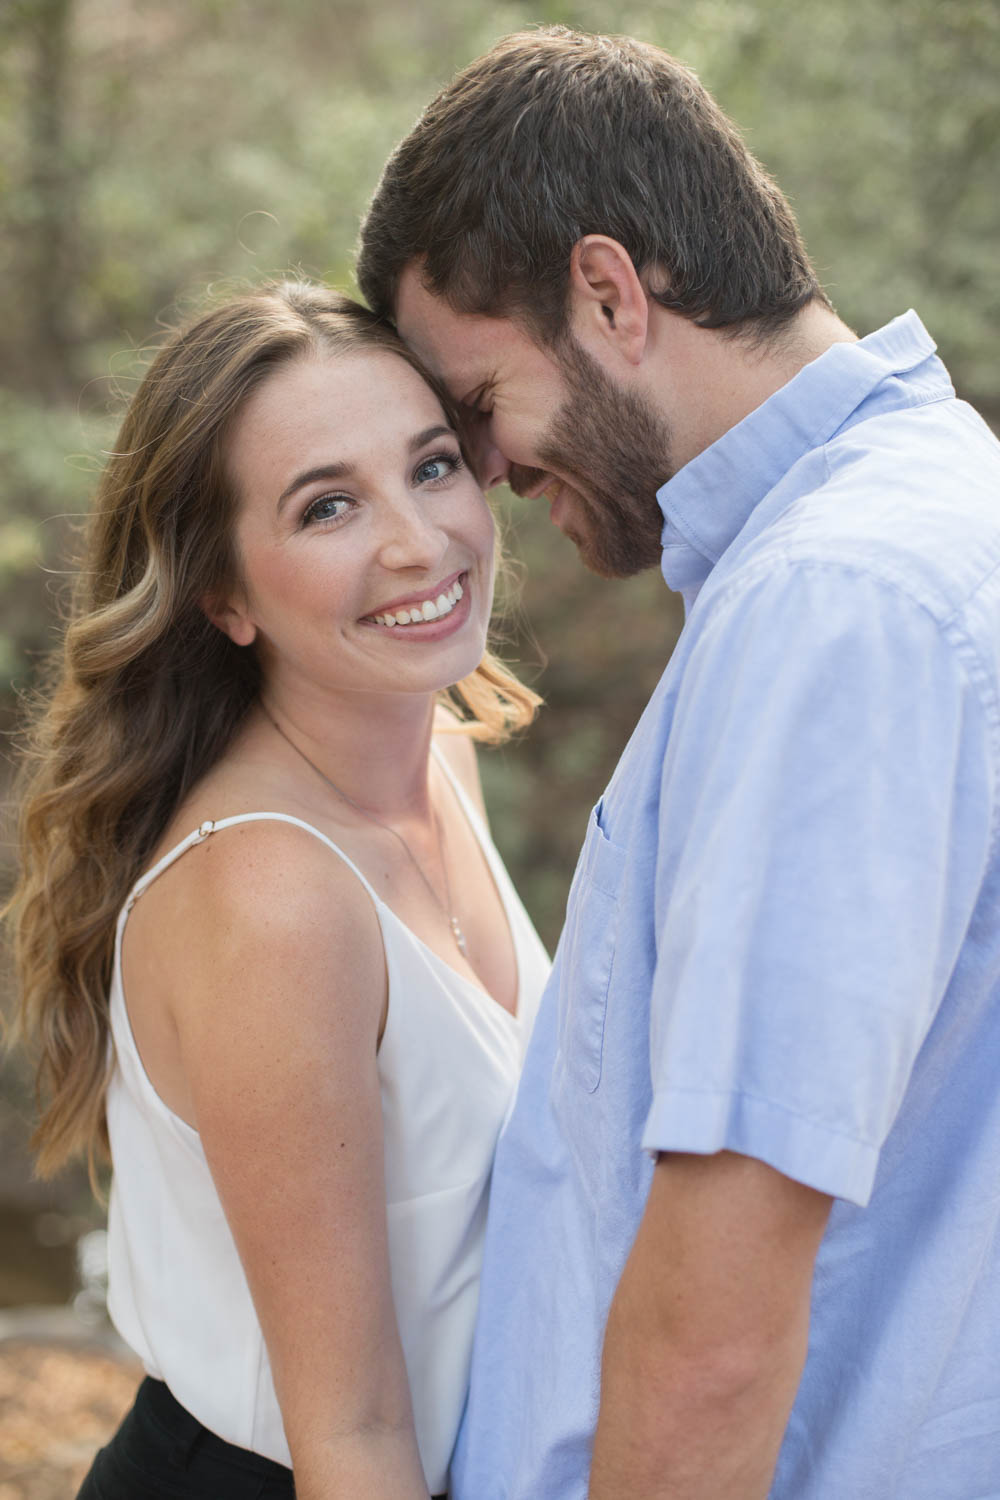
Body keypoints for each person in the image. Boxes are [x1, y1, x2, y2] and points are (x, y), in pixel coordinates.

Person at [356, 25, 1000, 1500]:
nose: (493, 474)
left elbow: (721, 1308)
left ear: (607, 291)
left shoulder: (836, 605)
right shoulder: (925, 522)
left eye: (475, 404)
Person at [8, 281, 549, 1500]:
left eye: (430, 467)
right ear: (223, 596)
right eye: (327, 508)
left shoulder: (441, 755)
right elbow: (349, 1432)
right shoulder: (273, 901)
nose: (418, 541)